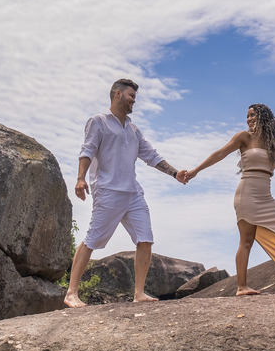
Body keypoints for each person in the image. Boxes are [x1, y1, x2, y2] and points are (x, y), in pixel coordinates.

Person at [63, 78, 187, 308]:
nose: (134, 101)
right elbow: (87, 150)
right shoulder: (98, 122)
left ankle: (139, 293)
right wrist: (80, 178)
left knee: (145, 238)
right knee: (93, 239)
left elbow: (151, 155)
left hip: (133, 193)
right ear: (117, 94)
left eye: (135, 98)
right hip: (108, 190)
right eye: (131, 96)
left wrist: (175, 173)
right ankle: (71, 292)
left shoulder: (133, 129)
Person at [182, 103, 275, 295]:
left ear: (263, 118)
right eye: (247, 116)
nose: (248, 119)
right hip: (247, 193)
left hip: (266, 195)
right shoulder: (243, 137)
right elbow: (220, 154)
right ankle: (242, 287)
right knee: (246, 240)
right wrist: (195, 171)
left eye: (252, 115)